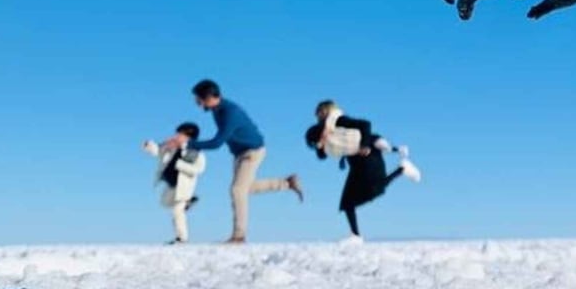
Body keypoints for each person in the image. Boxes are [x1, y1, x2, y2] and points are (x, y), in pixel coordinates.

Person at [163, 79, 303, 243]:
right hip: (239, 154)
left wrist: (187, 143)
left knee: (237, 190)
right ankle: (287, 183)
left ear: (208, 98)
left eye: (198, 100)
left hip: (252, 152)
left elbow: (216, 143)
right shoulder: (217, 110)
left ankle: (239, 236)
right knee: (245, 188)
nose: (198, 104)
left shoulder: (230, 112)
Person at [305, 100, 420, 241]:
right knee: (347, 202)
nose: (317, 116)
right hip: (355, 162)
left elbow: (365, 124)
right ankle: (355, 235)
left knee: (375, 189)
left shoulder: (338, 120)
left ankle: (402, 169)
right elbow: (322, 155)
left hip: (368, 156)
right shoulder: (320, 130)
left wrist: (365, 145)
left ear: (326, 111)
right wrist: (320, 144)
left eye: (319, 112)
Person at [141, 122, 206, 245]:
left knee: (177, 211)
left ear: (188, 137)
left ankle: (181, 238)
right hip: (172, 185)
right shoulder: (172, 147)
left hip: (184, 187)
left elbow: (199, 169)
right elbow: (157, 151)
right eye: (177, 134)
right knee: (164, 203)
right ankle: (190, 200)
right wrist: (149, 145)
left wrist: (179, 165)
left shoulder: (195, 152)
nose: (176, 136)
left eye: (180, 134)